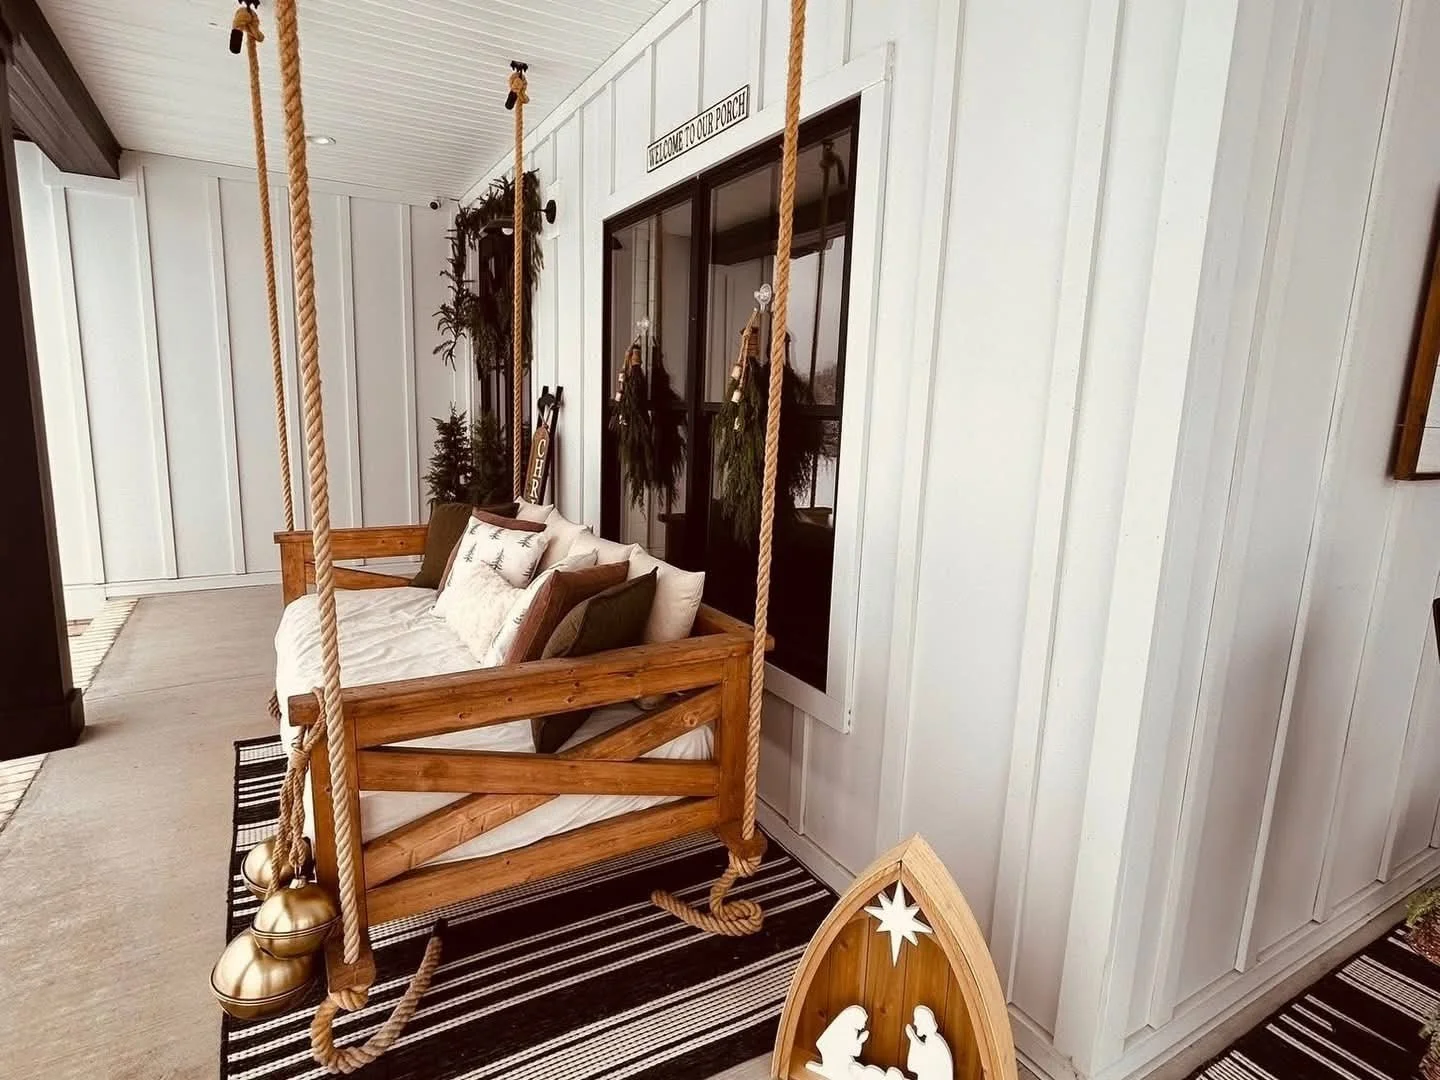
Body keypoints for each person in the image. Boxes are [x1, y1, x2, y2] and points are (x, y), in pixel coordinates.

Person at [904, 1005, 954, 1080]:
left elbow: (914, 1065)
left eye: (917, 1020)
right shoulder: (931, 1041)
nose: (914, 1023)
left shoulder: (935, 1043)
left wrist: (913, 1039)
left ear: (925, 1022)